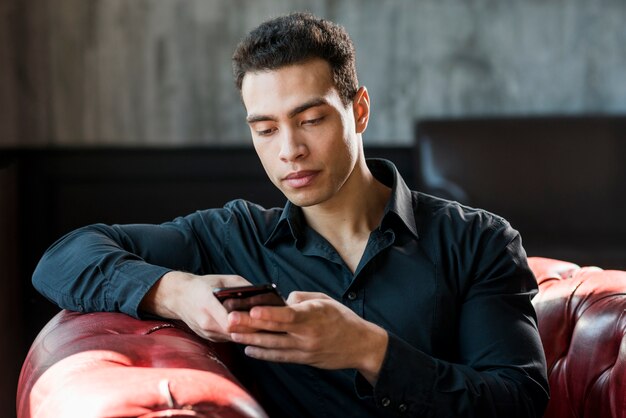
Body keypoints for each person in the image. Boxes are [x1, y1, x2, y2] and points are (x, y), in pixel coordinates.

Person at [33, 12, 549, 418]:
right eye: (266, 129)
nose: (290, 151)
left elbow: (517, 400)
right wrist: (178, 293)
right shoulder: (233, 236)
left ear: (359, 110)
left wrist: (370, 350)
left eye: (310, 119)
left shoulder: (479, 240)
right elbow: (62, 259)